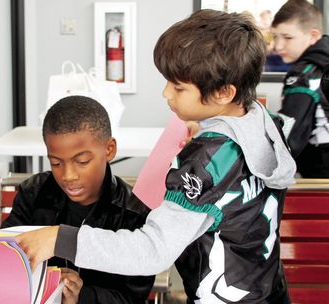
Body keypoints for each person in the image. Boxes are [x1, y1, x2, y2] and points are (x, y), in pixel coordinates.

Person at [16, 9, 297, 303]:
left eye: (178, 87)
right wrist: (209, 129)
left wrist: (60, 239)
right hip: (267, 291)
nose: (166, 94)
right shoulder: (263, 125)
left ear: (223, 93)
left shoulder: (204, 162)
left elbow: (152, 251)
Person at [1, 96, 154, 304]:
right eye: (56, 163)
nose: (68, 175)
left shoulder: (133, 213)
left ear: (109, 150)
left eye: (82, 161)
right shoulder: (33, 193)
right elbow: (7, 259)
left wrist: (83, 296)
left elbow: (132, 297)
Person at [272, 0, 329, 177]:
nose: (278, 46)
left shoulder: (304, 75)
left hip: (320, 177)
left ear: (313, 36)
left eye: (287, 38)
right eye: (275, 37)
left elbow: (287, 139)